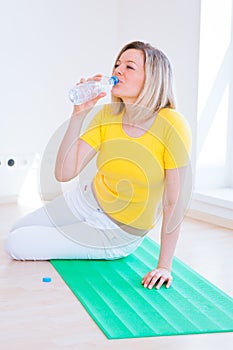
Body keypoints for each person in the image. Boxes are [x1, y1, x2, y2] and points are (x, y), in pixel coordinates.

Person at [5, 41, 192, 290]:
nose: (118, 70)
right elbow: (64, 172)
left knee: (16, 244)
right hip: (86, 202)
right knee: (17, 229)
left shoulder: (172, 125)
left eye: (129, 66)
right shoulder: (107, 115)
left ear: (153, 79)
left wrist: (164, 266)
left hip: (116, 230)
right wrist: (79, 113)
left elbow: (173, 202)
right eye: (117, 64)